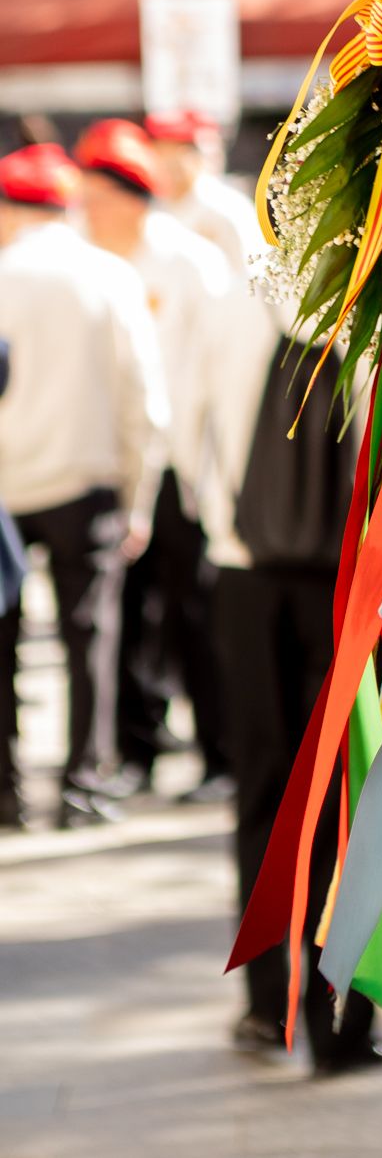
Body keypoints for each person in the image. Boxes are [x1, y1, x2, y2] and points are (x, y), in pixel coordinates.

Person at [200, 257, 382, 1070]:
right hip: (350, 584)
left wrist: (221, 524)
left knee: (262, 794)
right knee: (348, 799)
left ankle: (261, 1002)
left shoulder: (230, 301)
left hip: (246, 576)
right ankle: (340, 1023)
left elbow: (190, 430)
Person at [0, 142, 167, 827]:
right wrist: (139, 496)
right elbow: (145, 399)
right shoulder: (108, 274)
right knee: (89, 640)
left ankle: (6, 792)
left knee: (2, 642)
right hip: (87, 484)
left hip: (5, 491)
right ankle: (82, 787)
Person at [76, 118, 234, 799]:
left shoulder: (189, 261)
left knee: (194, 611)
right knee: (128, 613)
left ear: (130, 196)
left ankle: (221, 755)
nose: (86, 210)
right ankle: (136, 752)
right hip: (115, 461)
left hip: (182, 466)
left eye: (96, 197)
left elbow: (218, 368)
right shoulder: (85, 260)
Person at [145, 110, 256, 283]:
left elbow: (251, 274)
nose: (167, 167)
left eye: (175, 159)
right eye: (160, 156)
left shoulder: (227, 207)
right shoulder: (154, 208)